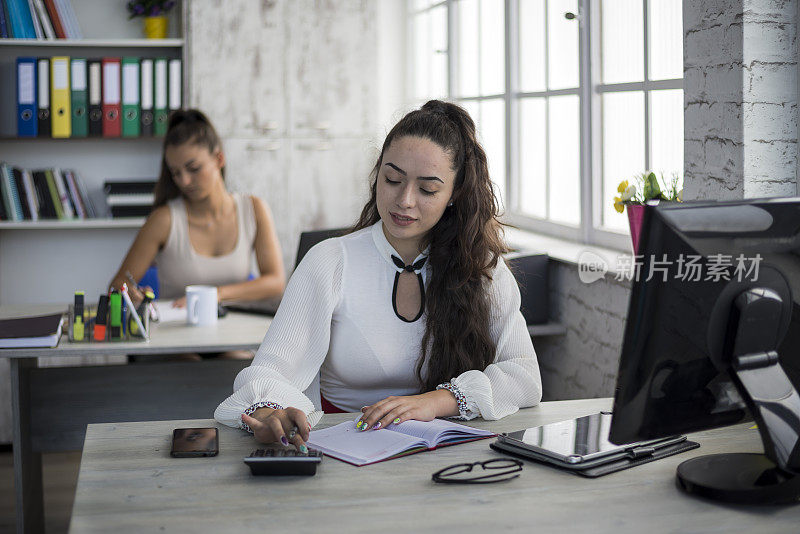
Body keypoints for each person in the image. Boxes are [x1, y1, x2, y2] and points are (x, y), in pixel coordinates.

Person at [214, 100, 541, 449]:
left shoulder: (482, 267)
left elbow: (524, 376)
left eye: (427, 189)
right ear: (377, 175)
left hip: (448, 449)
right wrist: (268, 413)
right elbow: (271, 368)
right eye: (392, 179)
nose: (404, 200)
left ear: (454, 194)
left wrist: (436, 401)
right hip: (348, 447)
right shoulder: (329, 260)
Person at [109, 109, 286, 357]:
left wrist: (215, 295)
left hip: (230, 335)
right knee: (193, 365)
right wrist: (131, 295)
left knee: (234, 360)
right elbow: (118, 284)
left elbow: (276, 282)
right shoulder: (164, 219)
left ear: (219, 159)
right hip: (175, 341)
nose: (184, 181)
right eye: (176, 172)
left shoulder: (254, 209)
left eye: (193, 168)